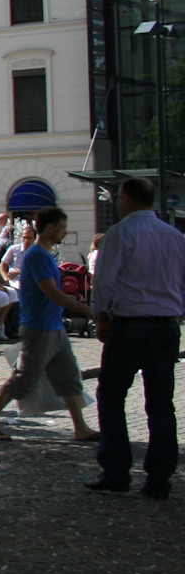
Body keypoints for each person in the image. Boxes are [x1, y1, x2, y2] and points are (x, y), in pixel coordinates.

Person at [87, 178, 183, 498]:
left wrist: (101, 316)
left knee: (112, 396)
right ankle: (159, 478)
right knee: (161, 404)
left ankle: (116, 470)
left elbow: (104, 281)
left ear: (126, 198)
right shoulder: (174, 236)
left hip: (130, 325)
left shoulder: (120, 233)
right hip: (166, 324)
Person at [0, 208, 99, 442]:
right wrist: (86, 310)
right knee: (24, 378)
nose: (64, 231)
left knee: (69, 377)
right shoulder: (38, 256)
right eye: (62, 227)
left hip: (53, 326)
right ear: (51, 227)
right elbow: (51, 292)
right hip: (39, 327)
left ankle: (80, 428)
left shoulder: (44, 255)